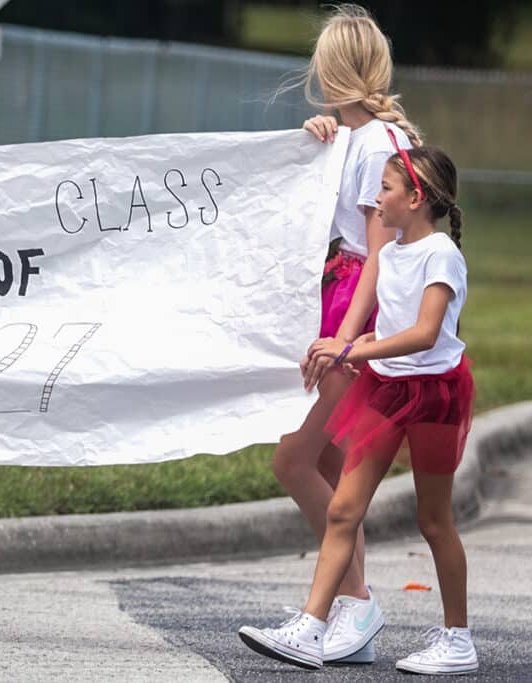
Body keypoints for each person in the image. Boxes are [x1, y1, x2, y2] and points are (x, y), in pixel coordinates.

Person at [240, 144, 476, 675]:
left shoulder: (441, 254)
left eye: (387, 189)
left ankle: (458, 639)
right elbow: (391, 326)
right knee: (344, 508)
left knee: (433, 520)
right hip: (386, 390)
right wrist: (350, 342)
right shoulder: (388, 255)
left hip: (436, 394)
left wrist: (352, 349)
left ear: (416, 198)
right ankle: (311, 627)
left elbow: (425, 333)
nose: (377, 198)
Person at [269, 4, 423, 664]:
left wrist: (348, 338)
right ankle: (346, 612)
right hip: (341, 302)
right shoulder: (359, 140)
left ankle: (355, 602)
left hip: (356, 313)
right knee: (329, 465)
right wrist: (318, 140)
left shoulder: (380, 145)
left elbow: (379, 251)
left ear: (328, 69)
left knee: (294, 460)